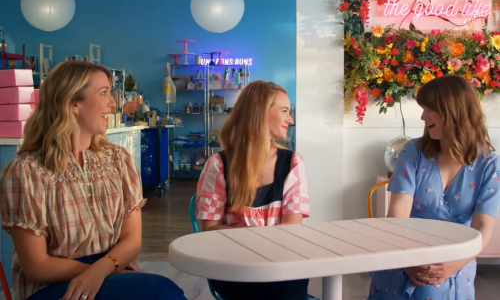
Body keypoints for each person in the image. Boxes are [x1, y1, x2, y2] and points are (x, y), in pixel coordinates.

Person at [0, 61, 186, 300]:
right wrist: (95, 274)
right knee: (162, 293)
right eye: (104, 93)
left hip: (113, 270)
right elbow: (36, 266)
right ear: (73, 104)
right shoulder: (26, 172)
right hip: (54, 287)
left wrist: (102, 271)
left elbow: (131, 240)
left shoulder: (119, 160)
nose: (113, 103)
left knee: (164, 291)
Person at [368, 75, 500, 300]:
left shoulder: (489, 164)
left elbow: (483, 228)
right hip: (405, 251)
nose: (422, 116)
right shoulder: (413, 151)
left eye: (429, 109)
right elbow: (397, 214)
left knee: (436, 286)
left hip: (458, 257)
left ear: (453, 111)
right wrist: (406, 260)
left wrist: (452, 265)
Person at [196, 81, 310, 300]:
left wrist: (245, 236)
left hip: (281, 268)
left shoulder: (293, 163)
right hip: (235, 269)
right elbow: (209, 231)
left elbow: (292, 229)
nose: (291, 120)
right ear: (259, 113)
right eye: (284, 111)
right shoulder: (218, 164)